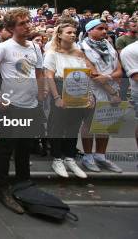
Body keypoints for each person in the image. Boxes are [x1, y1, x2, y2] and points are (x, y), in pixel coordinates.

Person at [0, 8, 45, 214]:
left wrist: (42, 93)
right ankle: (2, 188)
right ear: (11, 28)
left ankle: (24, 184)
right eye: (22, 23)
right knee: (6, 149)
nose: (28, 25)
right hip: (10, 107)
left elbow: (38, 72)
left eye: (28, 21)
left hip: (31, 105)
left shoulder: (35, 47)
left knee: (25, 148)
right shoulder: (4, 48)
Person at [44, 21, 93, 179]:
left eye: (74, 32)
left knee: (74, 126)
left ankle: (70, 158)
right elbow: (49, 76)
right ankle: (57, 158)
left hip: (78, 92)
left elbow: (85, 74)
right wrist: (57, 97)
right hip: (60, 90)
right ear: (59, 35)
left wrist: (89, 94)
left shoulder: (78, 53)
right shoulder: (52, 53)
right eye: (69, 32)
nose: (73, 35)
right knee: (58, 126)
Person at [79, 19, 123, 173]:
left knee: (106, 122)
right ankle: (88, 156)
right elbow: (93, 73)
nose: (104, 31)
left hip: (112, 87)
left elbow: (119, 69)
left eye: (105, 28)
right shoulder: (82, 47)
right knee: (90, 123)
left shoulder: (109, 45)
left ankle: (101, 156)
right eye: (100, 28)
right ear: (89, 30)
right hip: (94, 90)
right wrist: (111, 92)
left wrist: (110, 79)